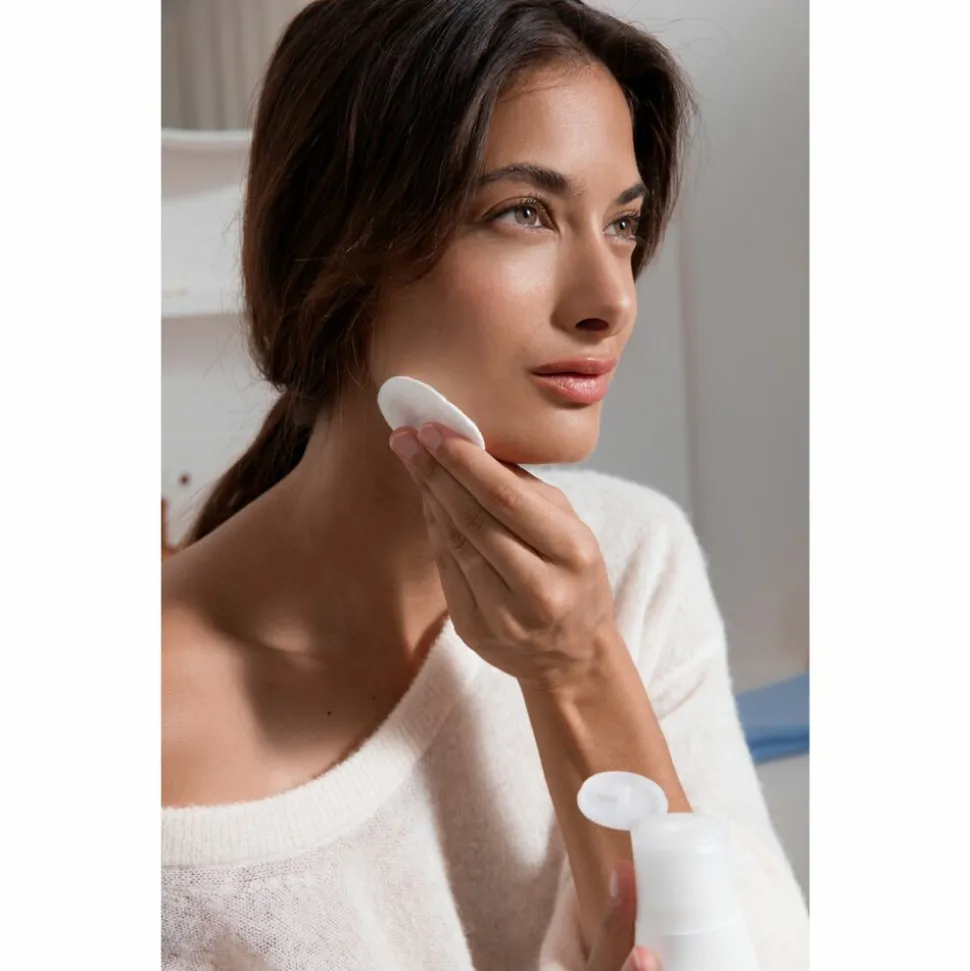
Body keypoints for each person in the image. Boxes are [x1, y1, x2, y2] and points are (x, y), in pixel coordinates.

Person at [161, 1, 809, 968]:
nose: (611, 299)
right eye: (525, 213)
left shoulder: (634, 564)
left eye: (622, 224)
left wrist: (579, 663)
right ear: (336, 243)